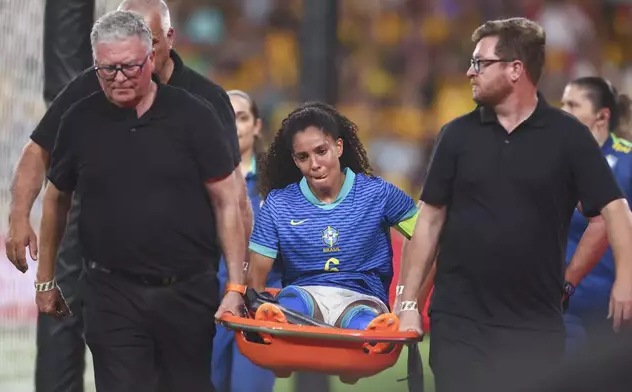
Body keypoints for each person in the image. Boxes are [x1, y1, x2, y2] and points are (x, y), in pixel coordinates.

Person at [4, 1, 253, 391]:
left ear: (162, 42)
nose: (120, 75)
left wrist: (238, 284)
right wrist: (20, 218)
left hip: (188, 286)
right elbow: (40, 156)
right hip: (111, 288)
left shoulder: (205, 104)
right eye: (109, 67)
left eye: (142, 53)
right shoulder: (88, 94)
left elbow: (233, 198)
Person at [395, 17, 632, 392]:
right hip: (459, 324)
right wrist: (408, 304)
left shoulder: (568, 136)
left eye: (480, 63)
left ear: (515, 69)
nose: (469, 72)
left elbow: (614, 210)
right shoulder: (455, 135)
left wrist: (623, 279)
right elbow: (428, 221)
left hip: (534, 327)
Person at [227, 101, 418, 339]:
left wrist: (408, 300)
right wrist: (251, 310)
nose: (315, 164)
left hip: (362, 298)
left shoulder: (379, 194)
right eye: (303, 157)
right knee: (289, 305)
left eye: (321, 151)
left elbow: (426, 236)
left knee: (362, 322)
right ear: (295, 161)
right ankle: (284, 319)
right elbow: (257, 276)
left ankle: (366, 331)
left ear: (338, 147)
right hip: (304, 295)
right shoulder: (278, 204)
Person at [212, 90, 282, 392]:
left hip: (258, 306)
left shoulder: (280, 183)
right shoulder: (199, 177)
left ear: (256, 126)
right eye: (226, 118)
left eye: (241, 117)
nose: (234, 126)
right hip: (206, 304)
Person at [560, 77, 632, 353]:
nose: (563, 109)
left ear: (602, 116)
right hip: (563, 308)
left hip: (615, 308)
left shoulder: (627, 163)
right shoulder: (558, 162)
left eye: (573, 104)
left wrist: (627, 283)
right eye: (563, 102)